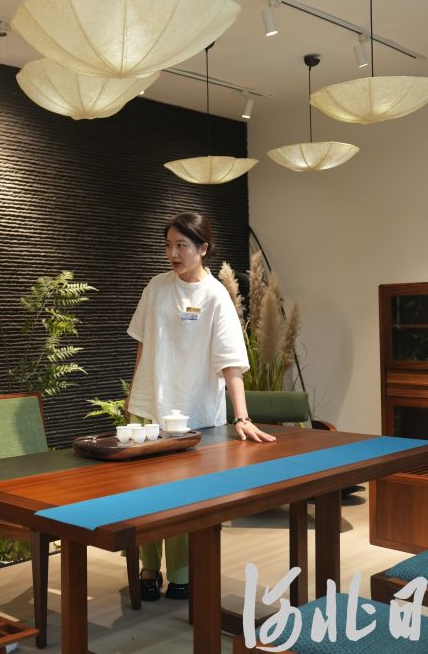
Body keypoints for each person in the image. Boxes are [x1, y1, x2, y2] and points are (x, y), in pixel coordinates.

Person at [126, 211, 275, 602]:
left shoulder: (215, 296)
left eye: (182, 245)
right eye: (168, 245)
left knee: (181, 499)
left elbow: (230, 363)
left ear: (203, 248)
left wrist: (242, 416)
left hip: (191, 415)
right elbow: (143, 344)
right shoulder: (156, 287)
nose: (173, 254)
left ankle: (181, 573)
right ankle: (148, 568)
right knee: (146, 496)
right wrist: (133, 396)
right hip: (148, 408)